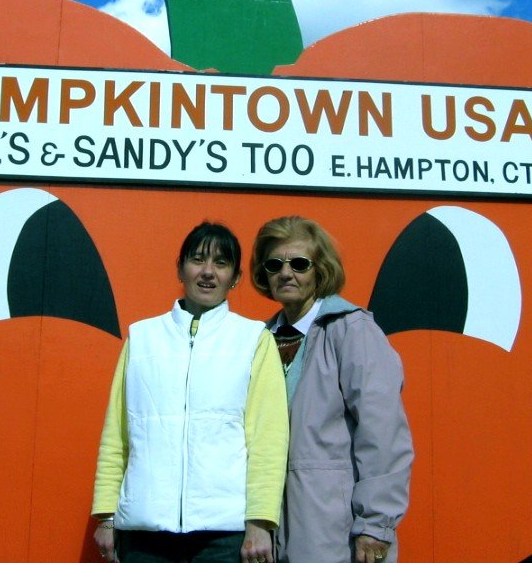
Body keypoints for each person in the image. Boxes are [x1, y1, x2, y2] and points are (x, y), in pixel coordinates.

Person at [92, 221, 289, 563]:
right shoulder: (142, 338)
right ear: (180, 268)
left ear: (235, 277)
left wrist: (259, 522)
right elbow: (117, 435)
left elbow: (267, 440)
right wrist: (107, 517)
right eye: (198, 259)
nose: (208, 272)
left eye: (221, 263)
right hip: (144, 535)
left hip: (223, 537)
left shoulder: (253, 339)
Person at [249, 216, 412, 563]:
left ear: (320, 270)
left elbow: (383, 432)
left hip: (335, 531)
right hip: (268, 531)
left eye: (299, 263)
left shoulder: (352, 330)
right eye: (274, 264)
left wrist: (376, 524)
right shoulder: (259, 340)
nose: (286, 273)